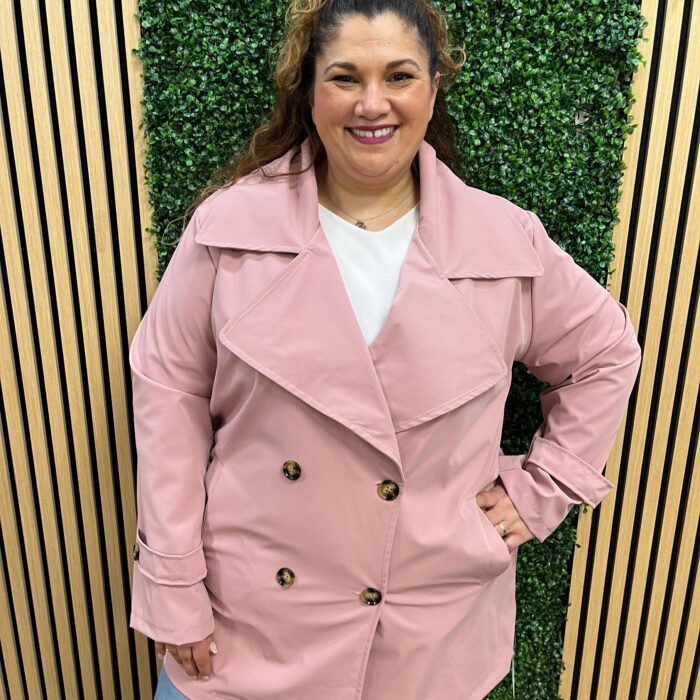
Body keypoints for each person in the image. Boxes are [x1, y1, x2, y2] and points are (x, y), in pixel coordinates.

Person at [128, 1, 643, 698]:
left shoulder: (502, 242)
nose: (372, 104)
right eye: (345, 77)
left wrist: (542, 490)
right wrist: (172, 582)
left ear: (433, 87)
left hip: (426, 634)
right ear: (311, 92)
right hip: (245, 624)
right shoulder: (229, 231)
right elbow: (169, 399)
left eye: (399, 76)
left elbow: (606, 353)